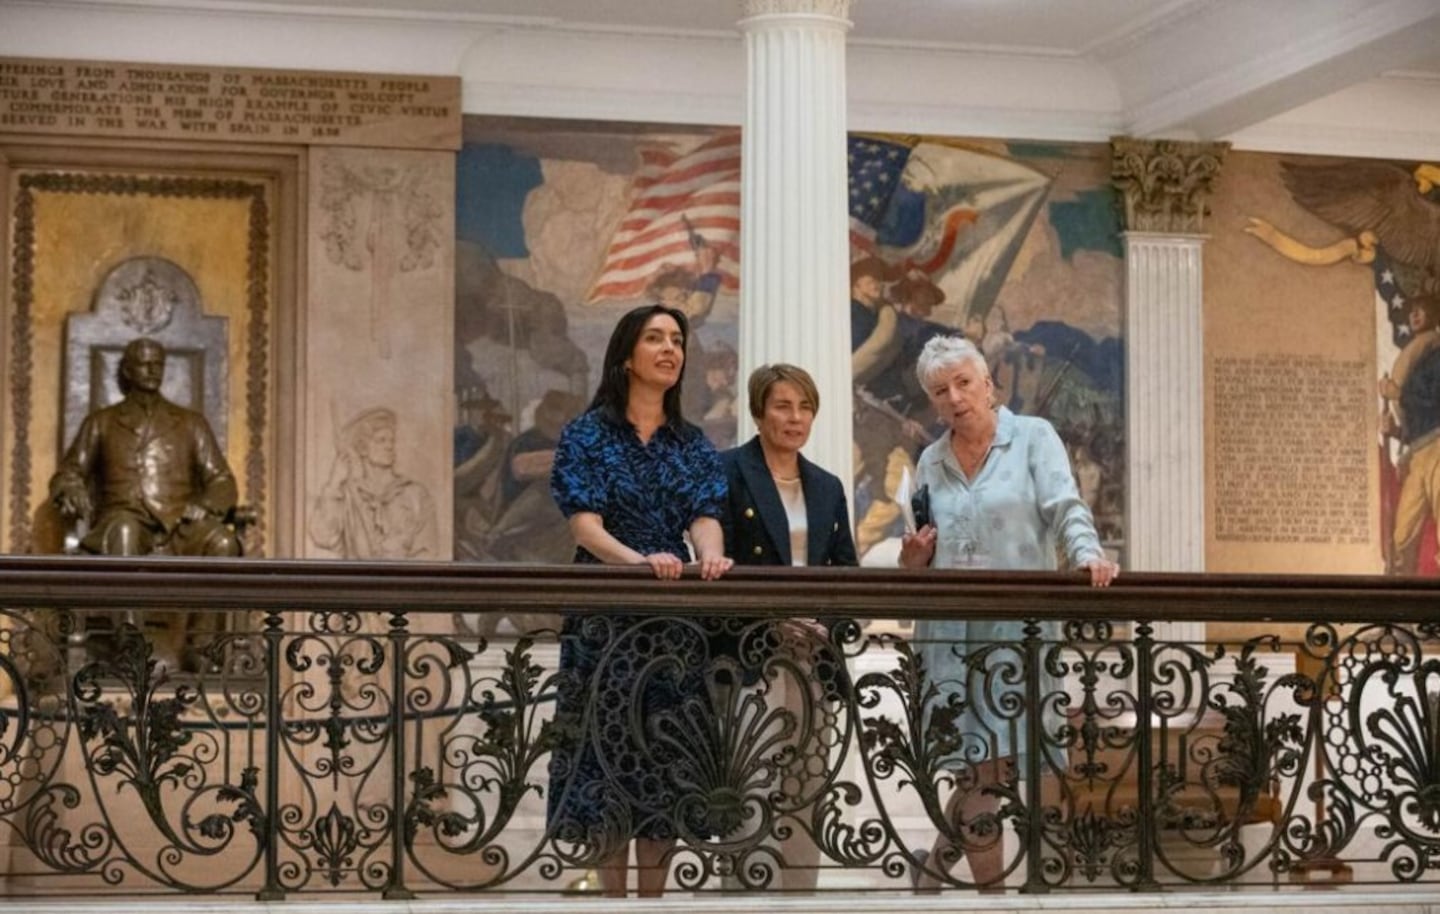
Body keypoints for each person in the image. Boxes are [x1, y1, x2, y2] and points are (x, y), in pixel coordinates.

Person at [898, 334, 1118, 891]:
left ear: (988, 384)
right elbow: (924, 550)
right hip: (950, 635)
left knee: (1002, 769)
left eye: (963, 383)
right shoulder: (931, 460)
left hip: (1018, 629)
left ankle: (940, 867)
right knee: (978, 769)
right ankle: (991, 899)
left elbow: (1064, 506)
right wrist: (914, 560)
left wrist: (1088, 554)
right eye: (940, 391)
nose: (954, 397)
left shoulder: (1033, 438)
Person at [547, 303, 733, 898]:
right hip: (606, 613)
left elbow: (705, 517)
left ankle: (651, 904)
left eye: (677, 340)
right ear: (627, 355)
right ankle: (611, 903)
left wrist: (711, 554)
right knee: (605, 759)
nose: (670, 349)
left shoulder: (692, 442)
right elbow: (586, 529)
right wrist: (641, 564)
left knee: (665, 760)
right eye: (655, 338)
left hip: (673, 619)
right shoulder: (587, 434)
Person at [718, 363, 857, 890]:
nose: (795, 418)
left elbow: (846, 570)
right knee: (748, 782)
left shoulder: (827, 486)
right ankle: (742, 898)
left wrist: (824, 623)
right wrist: (774, 619)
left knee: (807, 783)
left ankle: (801, 897)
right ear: (758, 411)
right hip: (751, 652)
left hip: (814, 658)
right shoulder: (728, 471)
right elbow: (718, 564)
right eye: (782, 405)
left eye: (804, 407)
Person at [49, 337, 241, 558]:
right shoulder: (102, 421)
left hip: (180, 524)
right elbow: (69, 472)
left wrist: (205, 505)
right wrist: (70, 488)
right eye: (144, 364)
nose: (152, 370)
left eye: (158, 364)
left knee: (224, 542)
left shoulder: (191, 423)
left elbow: (222, 480)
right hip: (124, 519)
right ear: (128, 371)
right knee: (124, 531)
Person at [309, 406, 438, 560]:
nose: (389, 446)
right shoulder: (348, 496)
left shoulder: (416, 494)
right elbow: (322, 536)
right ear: (363, 448)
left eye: (391, 440)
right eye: (381, 440)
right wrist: (334, 483)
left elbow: (428, 553)